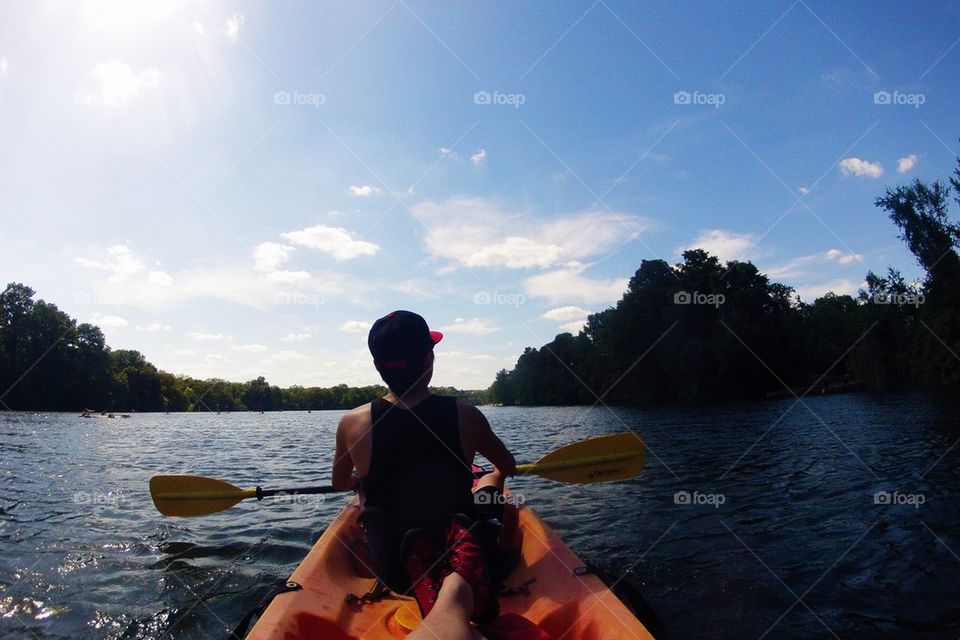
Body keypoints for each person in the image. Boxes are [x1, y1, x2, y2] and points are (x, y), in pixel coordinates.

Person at [332, 310, 517, 640]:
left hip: (393, 571)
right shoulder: (466, 415)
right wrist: (499, 471)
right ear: (429, 360)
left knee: (365, 494)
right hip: (458, 553)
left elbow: (339, 483)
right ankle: (466, 569)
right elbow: (511, 463)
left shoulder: (352, 423)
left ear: (378, 366)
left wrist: (361, 482)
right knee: (493, 479)